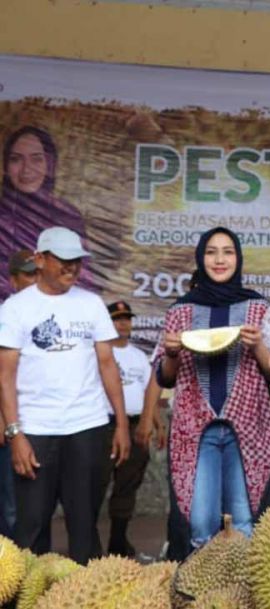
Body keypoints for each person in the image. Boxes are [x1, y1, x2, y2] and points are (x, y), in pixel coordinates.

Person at [143, 227, 270, 551]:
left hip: (249, 430)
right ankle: (199, 597)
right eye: (212, 252)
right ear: (201, 258)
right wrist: (173, 353)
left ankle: (241, 597)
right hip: (195, 432)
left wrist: (258, 345)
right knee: (199, 523)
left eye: (228, 252)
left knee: (245, 521)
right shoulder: (181, 311)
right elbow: (165, 377)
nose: (220, 259)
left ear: (239, 258)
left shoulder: (258, 308)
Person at [0, 227, 130, 564]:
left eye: (77, 262)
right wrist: (15, 434)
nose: (72, 268)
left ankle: (85, 597)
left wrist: (120, 425)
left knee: (85, 527)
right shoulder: (15, 308)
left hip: (87, 428)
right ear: (40, 260)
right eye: (64, 261)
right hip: (36, 432)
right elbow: (5, 375)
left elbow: (107, 365)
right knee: (30, 529)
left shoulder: (91, 305)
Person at [1, 127, 88, 300]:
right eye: (16, 159)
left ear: (50, 164)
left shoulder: (67, 216)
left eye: (37, 159)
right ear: (6, 166)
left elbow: (83, 276)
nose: (27, 169)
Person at [95, 300, 153, 557]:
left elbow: (149, 390)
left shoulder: (139, 356)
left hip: (135, 425)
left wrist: (154, 423)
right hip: (104, 426)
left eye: (127, 318)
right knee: (94, 485)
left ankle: (118, 543)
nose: (123, 323)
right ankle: (89, 545)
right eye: (117, 319)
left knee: (127, 486)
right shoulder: (100, 353)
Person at [0, 249, 38, 538]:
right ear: (13, 280)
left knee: (28, 506)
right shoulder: (8, 313)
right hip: (9, 425)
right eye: (27, 274)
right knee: (11, 508)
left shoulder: (53, 311)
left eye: (37, 273)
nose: (34, 280)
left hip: (36, 425)